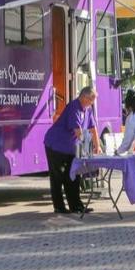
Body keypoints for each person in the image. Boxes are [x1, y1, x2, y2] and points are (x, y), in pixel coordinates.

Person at [43, 86, 102, 214]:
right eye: (91, 99)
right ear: (84, 97)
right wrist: (86, 149)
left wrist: (97, 146)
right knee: (58, 177)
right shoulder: (74, 107)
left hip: (71, 148)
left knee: (74, 175)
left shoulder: (88, 109)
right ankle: (59, 207)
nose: (92, 102)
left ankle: (76, 205)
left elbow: (93, 128)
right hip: (56, 145)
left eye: (93, 100)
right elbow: (78, 132)